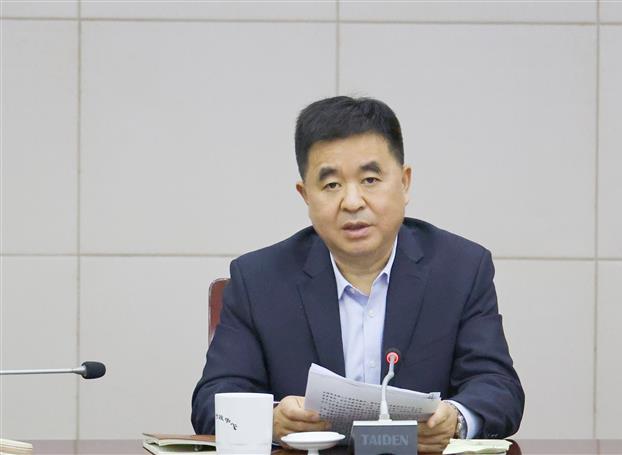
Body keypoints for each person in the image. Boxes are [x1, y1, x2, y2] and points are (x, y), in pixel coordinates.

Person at [191, 96, 524, 452]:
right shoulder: (259, 280)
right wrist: (271, 421)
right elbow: (212, 400)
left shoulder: (460, 270)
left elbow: (498, 387)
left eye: (370, 179)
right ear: (305, 195)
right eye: (331, 185)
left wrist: (455, 420)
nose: (352, 202)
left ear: (405, 183)